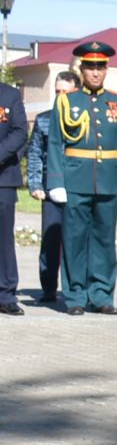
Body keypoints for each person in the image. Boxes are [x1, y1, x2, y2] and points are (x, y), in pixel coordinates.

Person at [45, 42, 117, 315]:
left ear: (106, 69)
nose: (96, 73)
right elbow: (54, 142)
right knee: (74, 240)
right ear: (81, 69)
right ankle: (75, 296)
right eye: (90, 67)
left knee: (104, 241)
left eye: (101, 67)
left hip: (108, 182)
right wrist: (56, 181)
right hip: (75, 181)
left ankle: (101, 295)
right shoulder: (66, 101)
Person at [25, 70, 80, 307]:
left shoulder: (83, 120)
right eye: (57, 91)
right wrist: (35, 185)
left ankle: (77, 289)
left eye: (65, 92)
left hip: (78, 188)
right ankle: (48, 288)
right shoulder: (44, 119)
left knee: (77, 241)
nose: (60, 96)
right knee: (50, 241)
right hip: (50, 188)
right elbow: (35, 153)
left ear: (76, 92)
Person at [0, 76, 26, 315]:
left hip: (2, 178)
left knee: (3, 239)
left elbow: (19, 132)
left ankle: (6, 294)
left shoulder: (10, 95)